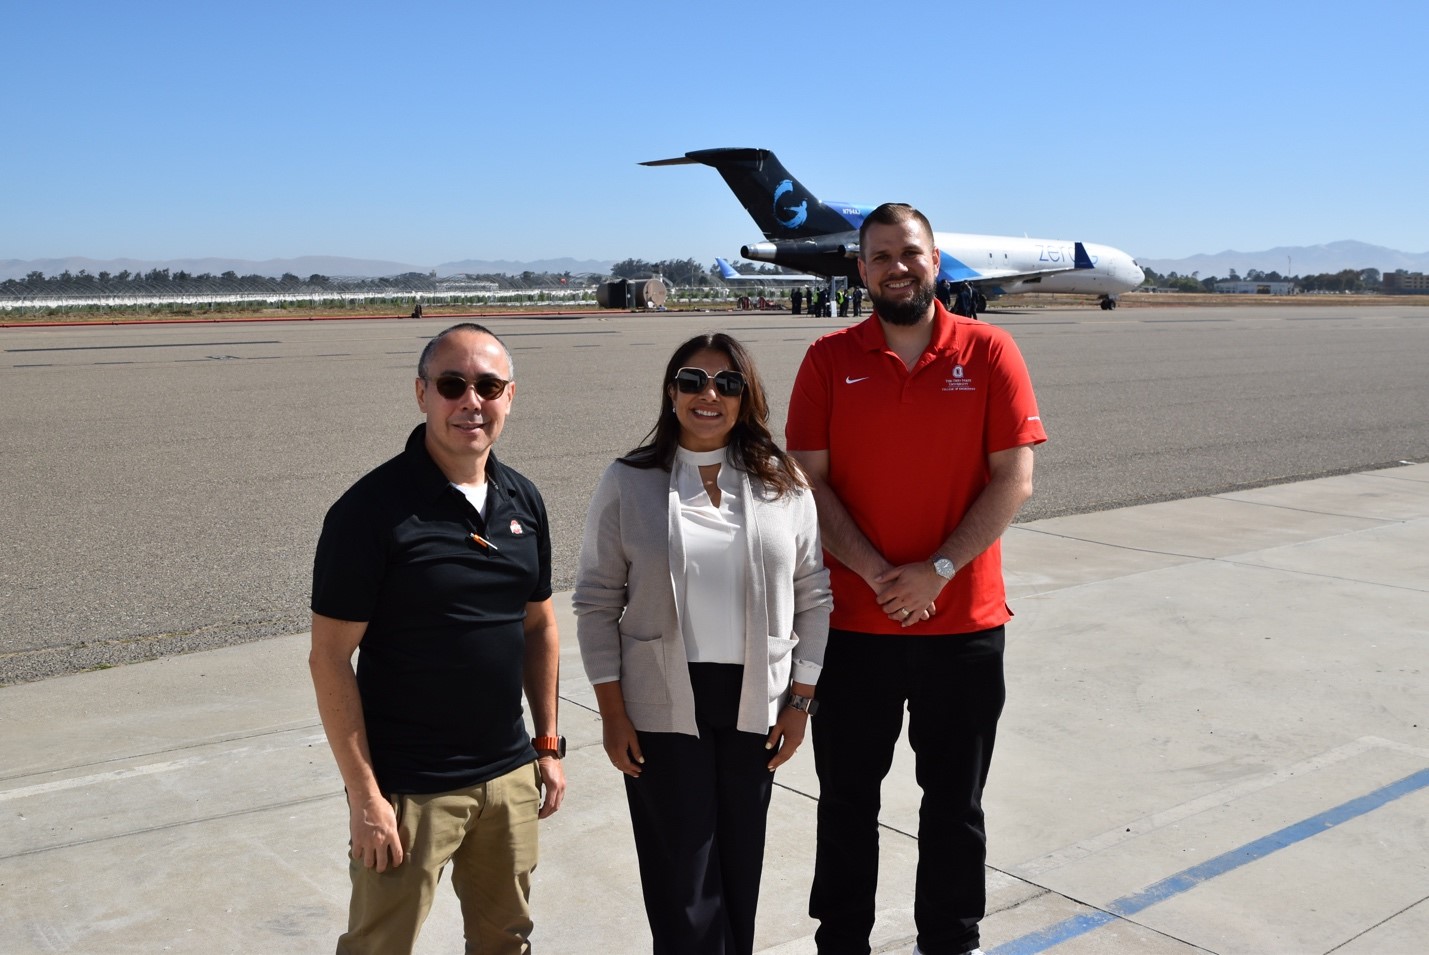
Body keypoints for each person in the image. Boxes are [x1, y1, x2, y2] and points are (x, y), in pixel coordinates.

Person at [786, 203, 1046, 955]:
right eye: (879, 256)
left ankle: (950, 940)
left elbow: (1014, 480)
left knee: (954, 806)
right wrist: (873, 571)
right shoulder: (828, 358)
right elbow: (808, 480)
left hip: (963, 625)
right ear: (859, 269)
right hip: (852, 628)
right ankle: (840, 941)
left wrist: (935, 571)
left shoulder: (990, 352)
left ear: (936, 261)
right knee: (843, 803)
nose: (896, 267)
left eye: (909, 253)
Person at [309, 322, 567, 955]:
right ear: (421, 393)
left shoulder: (522, 500)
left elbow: (539, 626)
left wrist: (548, 743)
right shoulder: (370, 512)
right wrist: (365, 797)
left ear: (511, 396)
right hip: (408, 790)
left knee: (506, 941)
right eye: (452, 384)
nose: (470, 402)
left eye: (488, 385)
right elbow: (330, 660)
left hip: (508, 776)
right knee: (379, 945)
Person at [574, 332, 832, 955]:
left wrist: (800, 702)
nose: (708, 394)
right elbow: (596, 600)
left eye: (726, 383)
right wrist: (612, 712)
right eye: (691, 380)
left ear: (747, 398)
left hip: (755, 702)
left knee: (740, 871)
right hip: (662, 705)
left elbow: (813, 595)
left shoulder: (783, 481)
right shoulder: (629, 480)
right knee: (682, 882)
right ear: (671, 393)